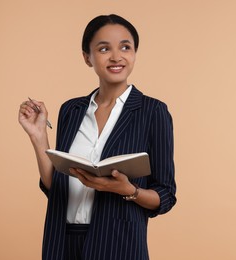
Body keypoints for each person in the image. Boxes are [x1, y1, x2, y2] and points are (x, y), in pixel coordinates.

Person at [18, 14, 176, 260]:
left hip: (119, 244)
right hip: (62, 241)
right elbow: (57, 187)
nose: (116, 56)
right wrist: (38, 137)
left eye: (126, 47)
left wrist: (128, 190)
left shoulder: (153, 111)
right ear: (87, 57)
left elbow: (165, 195)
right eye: (104, 49)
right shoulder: (71, 110)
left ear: (135, 53)